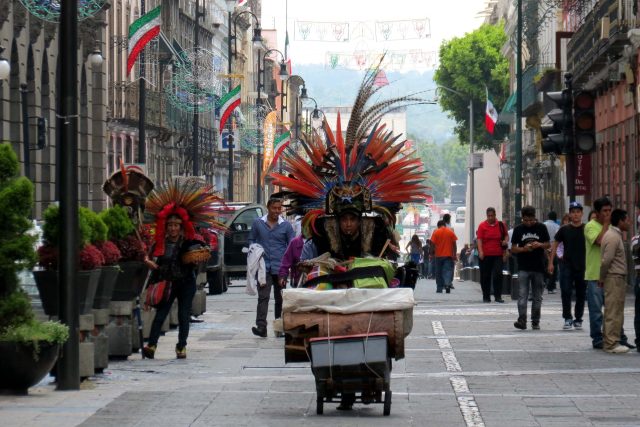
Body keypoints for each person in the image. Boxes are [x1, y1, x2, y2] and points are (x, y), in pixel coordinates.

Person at [141, 180, 226, 359]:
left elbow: (203, 252)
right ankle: (152, 345)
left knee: (183, 314)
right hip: (166, 282)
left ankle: (181, 346)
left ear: (181, 227)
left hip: (186, 282)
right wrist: (150, 264)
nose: (172, 228)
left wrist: (199, 256)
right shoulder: (159, 242)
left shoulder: (189, 241)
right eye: (170, 225)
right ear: (166, 226)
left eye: (176, 225)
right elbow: (149, 258)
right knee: (160, 314)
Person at [248, 197, 295, 338]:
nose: (277, 211)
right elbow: (251, 239)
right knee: (263, 297)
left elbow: (291, 245)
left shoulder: (286, 226)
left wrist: (290, 266)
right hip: (263, 268)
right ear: (268, 207)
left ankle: (279, 327)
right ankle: (261, 327)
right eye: (274, 208)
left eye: (279, 208)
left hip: (281, 268)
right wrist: (254, 249)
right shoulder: (258, 224)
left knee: (280, 298)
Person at [511, 205, 550, 330]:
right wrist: (524, 249)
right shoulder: (518, 229)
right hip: (523, 267)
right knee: (522, 295)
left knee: (537, 296)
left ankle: (535, 321)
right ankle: (522, 320)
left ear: (535, 217)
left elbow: (548, 244)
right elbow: (513, 248)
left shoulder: (541, 228)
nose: (529, 223)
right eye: (526, 220)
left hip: (538, 267)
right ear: (522, 218)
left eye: (531, 220)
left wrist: (539, 244)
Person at [549, 202, 585, 330]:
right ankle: (567, 318)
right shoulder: (564, 229)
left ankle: (578, 318)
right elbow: (555, 244)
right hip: (566, 265)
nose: (575, 214)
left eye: (578, 212)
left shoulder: (586, 229)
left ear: (582, 213)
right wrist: (551, 262)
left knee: (581, 293)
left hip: (582, 265)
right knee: (566, 291)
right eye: (573, 212)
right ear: (570, 214)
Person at [600, 209, 630, 353]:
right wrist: (601, 277)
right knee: (613, 310)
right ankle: (611, 343)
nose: (629, 222)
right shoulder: (613, 237)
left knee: (614, 309)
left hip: (616, 277)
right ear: (621, 221)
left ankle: (610, 340)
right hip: (614, 277)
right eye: (627, 219)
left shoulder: (614, 235)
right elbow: (606, 260)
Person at [476, 207, 508, 303]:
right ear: (487, 216)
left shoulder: (501, 225)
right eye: (488, 216)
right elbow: (479, 240)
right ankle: (486, 296)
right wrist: (481, 251)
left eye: (492, 216)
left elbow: (506, 235)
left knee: (498, 274)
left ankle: (498, 296)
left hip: (498, 254)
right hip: (485, 255)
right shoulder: (482, 226)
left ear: (495, 215)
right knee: (485, 276)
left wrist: (505, 242)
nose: (490, 218)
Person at [430, 219, 458, 293]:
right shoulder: (450, 232)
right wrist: (454, 254)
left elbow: (432, 244)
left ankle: (439, 288)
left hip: (438, 255)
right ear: (445, 225)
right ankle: (447, 284)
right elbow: (454, 244)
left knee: (438, 272)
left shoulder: (436, 232)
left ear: (438, 226)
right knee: (447, 271)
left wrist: (431, 254)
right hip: (448, 255)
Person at [543, 211, 560, 294]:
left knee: (544, 265)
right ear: (555, 218)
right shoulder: (557, 226)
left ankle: (544, 282)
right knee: (554, 267)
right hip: (553, 248)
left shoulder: (543, 225)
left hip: (544, 248)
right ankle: (551, 286)